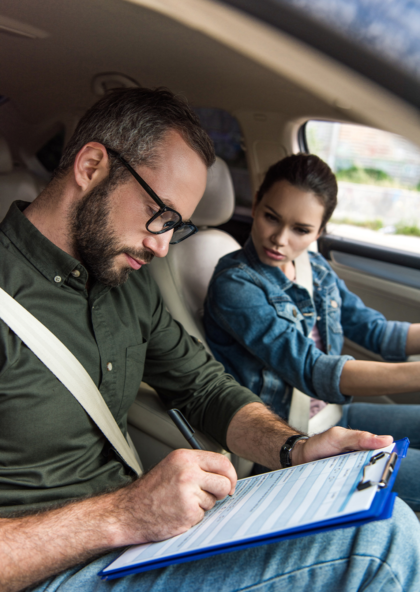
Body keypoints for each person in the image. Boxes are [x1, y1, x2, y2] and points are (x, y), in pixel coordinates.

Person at [0, 91, 419, 592]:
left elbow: (205, 388)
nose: (161, 246)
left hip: (136, 543)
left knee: (372, 509)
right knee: (381, 541)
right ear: (91, 167)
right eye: (159, 214)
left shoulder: (127, 285)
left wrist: (294, 449)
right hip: (49, 572)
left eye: (175, 227)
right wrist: (123, 514)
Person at [204, 153, 420, 511]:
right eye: (271, 217)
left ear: (319, 232)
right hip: (290, 439)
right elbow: (312, 370)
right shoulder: (235, 285)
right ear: (255, 205)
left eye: (301, 230)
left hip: (335, 418)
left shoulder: (315, 268)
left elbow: (374, 330)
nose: (279, 239)